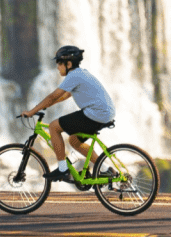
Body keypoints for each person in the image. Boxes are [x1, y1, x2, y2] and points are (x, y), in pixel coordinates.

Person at [22, 46, 116, 182]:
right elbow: (66, 94)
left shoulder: (74, 75)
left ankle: (63, 169)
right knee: (74, 140)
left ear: (69, 64)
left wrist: (32, 111)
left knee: (54, 127)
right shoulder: (81, 73)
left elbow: (53, 96)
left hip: (96, 113)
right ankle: (105, 169)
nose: (57, 67)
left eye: (59, 63)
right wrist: (49, 104)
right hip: (104, 113)